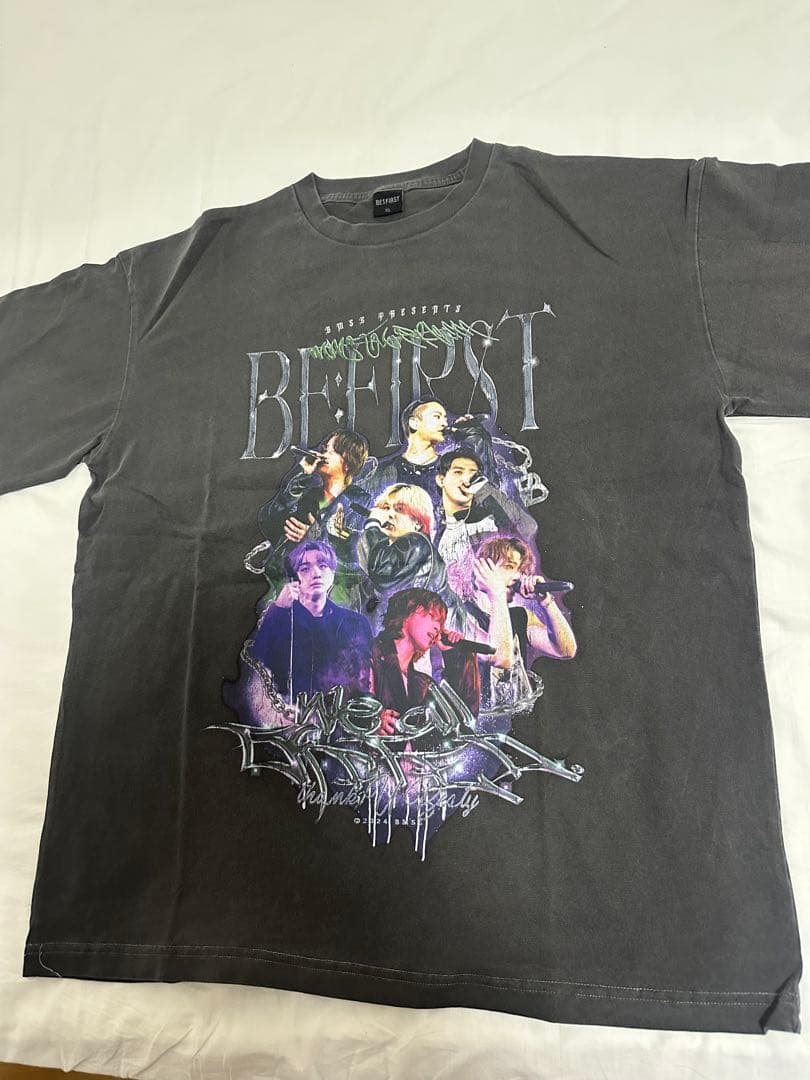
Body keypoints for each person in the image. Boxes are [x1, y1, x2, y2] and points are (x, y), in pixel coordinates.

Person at [252, 429, 371, 608]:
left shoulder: (360, 504)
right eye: (324, 449)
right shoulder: (307, 496)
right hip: (290, 595)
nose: (322, 454)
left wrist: (313, 538)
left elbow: (356, 565)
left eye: (331, 450)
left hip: (334, 604)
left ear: (347, 461)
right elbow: (268, 520)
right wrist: (301, 475)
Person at [247, 540, 373, 702]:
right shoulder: (280, 619)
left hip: (341, 711)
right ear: (293, 578)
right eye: (305, 568)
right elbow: (256, 667)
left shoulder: (355, 623)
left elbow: (364, 679)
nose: (316, 573)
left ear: (333, 573)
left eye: (323, 566)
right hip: (290, 711)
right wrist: (278, 609)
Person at [369, 588, 480, 735]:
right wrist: (370, 718)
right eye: (432, 616)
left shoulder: (422, 684)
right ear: (408, 612)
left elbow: (462, 722)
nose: (437, 628)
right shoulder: (368, 655)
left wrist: (455, 656)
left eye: (440, 624)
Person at [434, 449, 538, 600]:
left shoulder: (490, 520)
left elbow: (527, 528)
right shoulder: (436, 534)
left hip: (495, 607)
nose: (466, 480)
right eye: (458, 472)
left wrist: (483, 489)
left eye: (473, 475)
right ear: (441, 480)